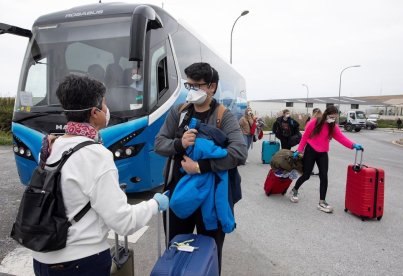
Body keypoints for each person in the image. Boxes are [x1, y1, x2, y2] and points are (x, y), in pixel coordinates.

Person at [32, 75, 169, 276]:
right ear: (94, 113)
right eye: (105, 104)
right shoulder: (96, 155)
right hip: (80, 263)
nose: (107, 110)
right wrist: (155, 204)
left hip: (42, 259)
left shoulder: (51, 146)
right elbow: (123, 222)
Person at [154, 62, 247, 273]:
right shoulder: (179, 112)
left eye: (198, 85)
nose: (192, 90)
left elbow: (240, 152)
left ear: (212, 87)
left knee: (209, 252)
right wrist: (179, 143)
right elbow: (159, 143)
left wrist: (201, 166)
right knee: (176, 248)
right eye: (189, 86)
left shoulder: (224, 116)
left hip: (212, 198)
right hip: (179, 193)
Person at [290, 106, 363, 213]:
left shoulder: (332, 126)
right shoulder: (315, 122)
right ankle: (294, 190)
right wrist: (299, 150)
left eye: (334, 118)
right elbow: (305, 136)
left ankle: (322, 202)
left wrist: (353, 145)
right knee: (306, 175)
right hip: (311, 150)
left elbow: (341, 138)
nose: (332, 119)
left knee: (324, 176)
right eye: (331, 117)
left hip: (323, 153)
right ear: (326, 114)